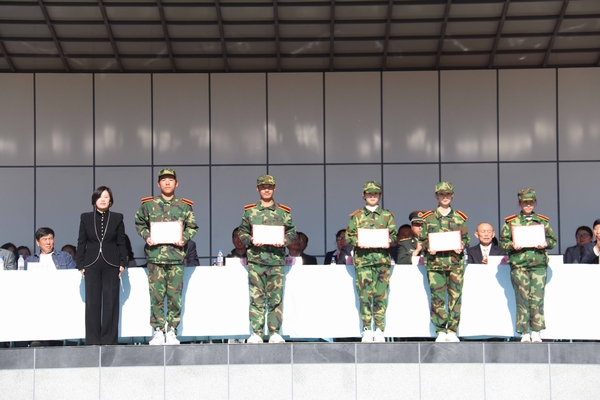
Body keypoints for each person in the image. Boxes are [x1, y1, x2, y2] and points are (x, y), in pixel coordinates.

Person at [135, 168, 198, 346]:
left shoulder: (184, 205)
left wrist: (184, 238)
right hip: (155, 258)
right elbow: (139, 222)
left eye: (171, 179)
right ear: (158, 184)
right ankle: (157, 331)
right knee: (156, 297)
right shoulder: (149, 205)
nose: (167, 182)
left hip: (176, 258)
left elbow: (192, 226)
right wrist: (146, 235)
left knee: (174, 297)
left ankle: (171, 331)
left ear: (177, 183)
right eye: (164, 180)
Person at [238, 174, 296, 344]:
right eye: (263, 187)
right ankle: (256, 332)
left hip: (276, 261)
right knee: (256, 298)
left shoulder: (283, 212)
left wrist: (285, 240)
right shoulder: (250, 211)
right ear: (257, 189)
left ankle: (274, 332)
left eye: (269, 187)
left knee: (275, 299)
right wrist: (250, 240)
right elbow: (242, 232)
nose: (266, 190)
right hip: (256, 261)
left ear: (274, 189)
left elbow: (292, 232)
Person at [500, 188, 557, 343]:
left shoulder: (542, 221)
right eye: (525, 202)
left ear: (535, 202)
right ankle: (524, 332)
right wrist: (512, 245)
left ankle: (536, 331)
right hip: (519, 265)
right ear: (519, 203)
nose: (528, 205)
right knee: (522, 298)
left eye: (531, 202)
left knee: (537, 298)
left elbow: (553, 241)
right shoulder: (511, 222)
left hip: (538, 265)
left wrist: (545, 243)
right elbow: (503, 242)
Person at [346, 181, 397, 343]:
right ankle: (367, 328)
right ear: (364, 195)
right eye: (369, 193)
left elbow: (394, 236)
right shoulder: (357, 216)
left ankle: (380, 328)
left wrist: (388, 240)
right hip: (364, 261)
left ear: (380, 195)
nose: (372, 196)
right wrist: (358, 241)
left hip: (381, 261)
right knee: (365, 296)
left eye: (375, 193)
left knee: (381, 295)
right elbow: (349, 236)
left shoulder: (387, 215)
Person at [76, 186, 128, 345]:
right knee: (92, 301)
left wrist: (123, 262)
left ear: (110, 200)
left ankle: (109, 340)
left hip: (111, 263)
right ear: (94, 200)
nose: (103, 199)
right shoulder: (85, 218)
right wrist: (80, 264)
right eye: (100, 197)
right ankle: (93, 340)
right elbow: (81, 242)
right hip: (91, 263)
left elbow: (121, 242)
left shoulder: (117, 218)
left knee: (111, 301)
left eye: (106, 197)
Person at [419, 182, 469, 343]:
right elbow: (422, 239)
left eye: (448, 194)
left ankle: (452, 330)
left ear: (452, 195)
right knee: (437, 298)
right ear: (436, 196)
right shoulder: (428, 218)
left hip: (455, 264)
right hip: (435, 264)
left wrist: (461, 245)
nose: (445, 197)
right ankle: (440, 330)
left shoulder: (459, 218)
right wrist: (428, 247)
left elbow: (466, 239)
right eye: (442, 194)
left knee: (455, 298)